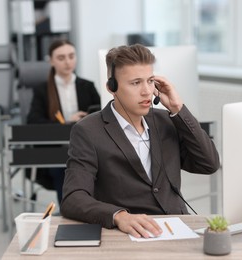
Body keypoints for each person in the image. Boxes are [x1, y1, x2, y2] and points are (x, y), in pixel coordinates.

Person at [60, 44, 220, 238]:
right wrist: (118, 216)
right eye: (136, 83)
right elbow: (73, 198)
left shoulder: (166, 121)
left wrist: (178, 109)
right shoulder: (88, 131)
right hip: (129, 235)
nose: (146, 91)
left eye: (150, 81)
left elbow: (209, 164)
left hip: (176, 230)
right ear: (112, 87)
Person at [27, 39, 100, 206]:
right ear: (51, 61)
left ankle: (90, 207)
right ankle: (69, 209)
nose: (68, 62)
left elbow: (102, 114)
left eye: (71, 56)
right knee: (65, 165)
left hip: (85, 146)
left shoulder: (87, 86)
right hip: (55, 148)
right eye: (61, 58)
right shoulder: (42, 90)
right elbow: (33, 121)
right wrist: (66, 123)